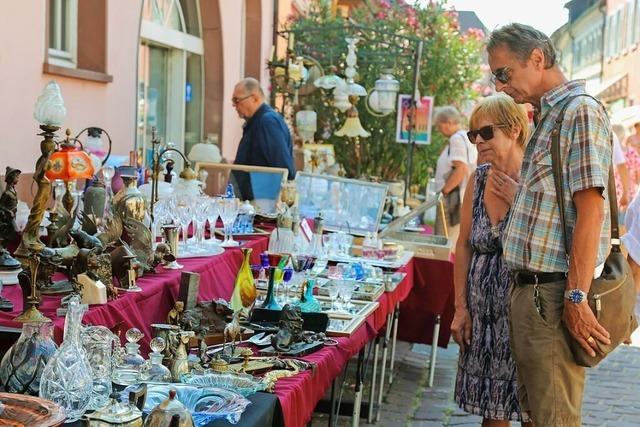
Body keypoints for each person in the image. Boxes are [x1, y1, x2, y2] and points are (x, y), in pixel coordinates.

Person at [488, 23, 612, 426]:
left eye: (504, 73)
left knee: (553, 419)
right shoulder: (551, 114)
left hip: (554, 294)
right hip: (533, 291)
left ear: (537, 58)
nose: (501, 85)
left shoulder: (579, 110)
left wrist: (576, 298)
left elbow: (590, 209)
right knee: (536, 416)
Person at [451, 94, 531, 426]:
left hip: (524, 312)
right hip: (483, 315)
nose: (478, 141)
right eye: (473, 135)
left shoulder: (535, 178)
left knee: (533, 411)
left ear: (513, 129)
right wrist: (460, 307)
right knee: (492, 412)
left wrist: (519, 199)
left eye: (486, 132)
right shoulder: (479, 177)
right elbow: (465, 244)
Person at [232, 78, 296, 200]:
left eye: (237, 100)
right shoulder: (258, 121)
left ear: (255, 98)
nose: (234, 105)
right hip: (252, 202)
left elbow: (284, 169)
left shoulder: (267, 122)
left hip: (261, 205)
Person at [433, 106, 478, 246]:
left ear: (447, 122)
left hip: (453, 198)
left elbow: (461, 169)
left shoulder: (456, 139)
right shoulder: (465, 137)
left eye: (438, 125)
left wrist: (444, 192)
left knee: (446, 241)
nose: (439, 129)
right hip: (461, 197)